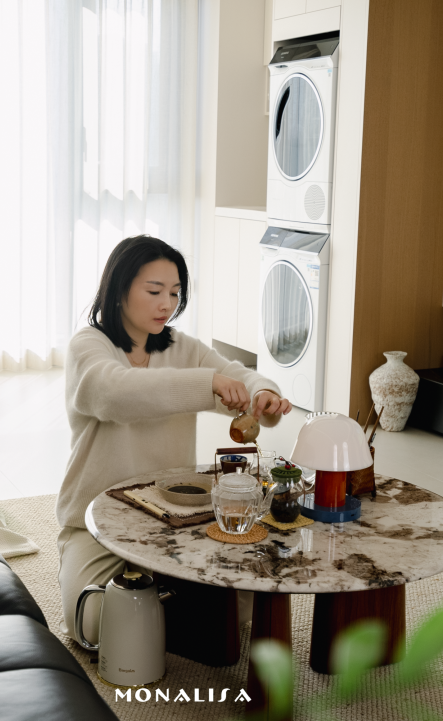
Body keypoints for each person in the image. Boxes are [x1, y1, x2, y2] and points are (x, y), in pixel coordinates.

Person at [57, 235, 292, 644]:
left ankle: (160, 608)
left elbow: (239, 375)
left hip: (175, 516)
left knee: (244, 603)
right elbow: (115, 394)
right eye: (154, 291)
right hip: (97, 519)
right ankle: (168, 609)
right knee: (91, 625)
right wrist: (208, 384)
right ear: (119, 290)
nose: (166, 304)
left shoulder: (185, 348)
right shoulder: (88, 346)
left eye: (174, 293)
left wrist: (262, 393)